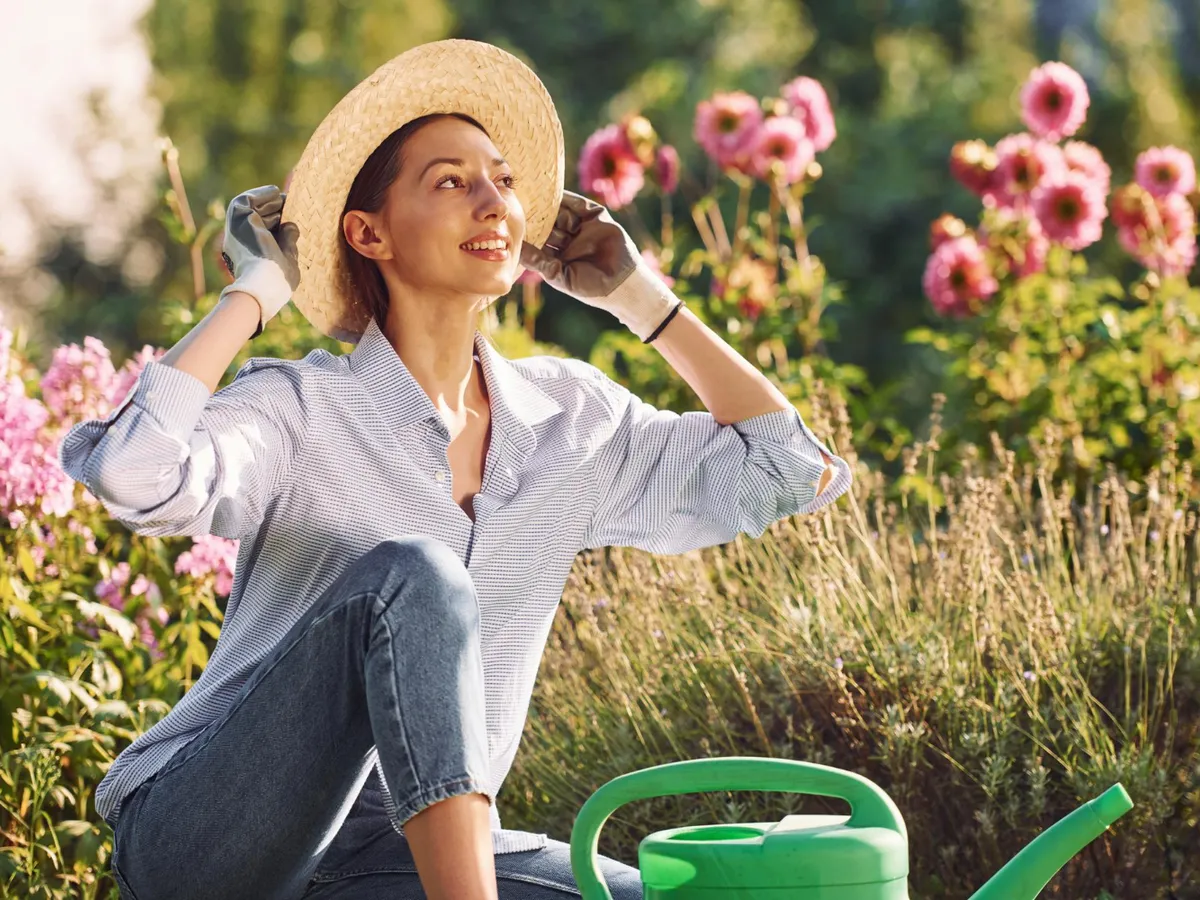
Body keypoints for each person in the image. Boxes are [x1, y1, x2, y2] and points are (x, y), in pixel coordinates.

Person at [58, 39, 850, 900]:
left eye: (505, 183)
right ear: (369, 232)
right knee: (416, 579)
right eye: (450, 182)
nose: (495, 204)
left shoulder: (569, 424)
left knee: (678, 896)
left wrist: (640, 298)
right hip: (218, 835)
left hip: (407, 854)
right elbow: (135, 471)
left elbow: (783, 467)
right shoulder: (300, 409)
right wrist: (253, 293)